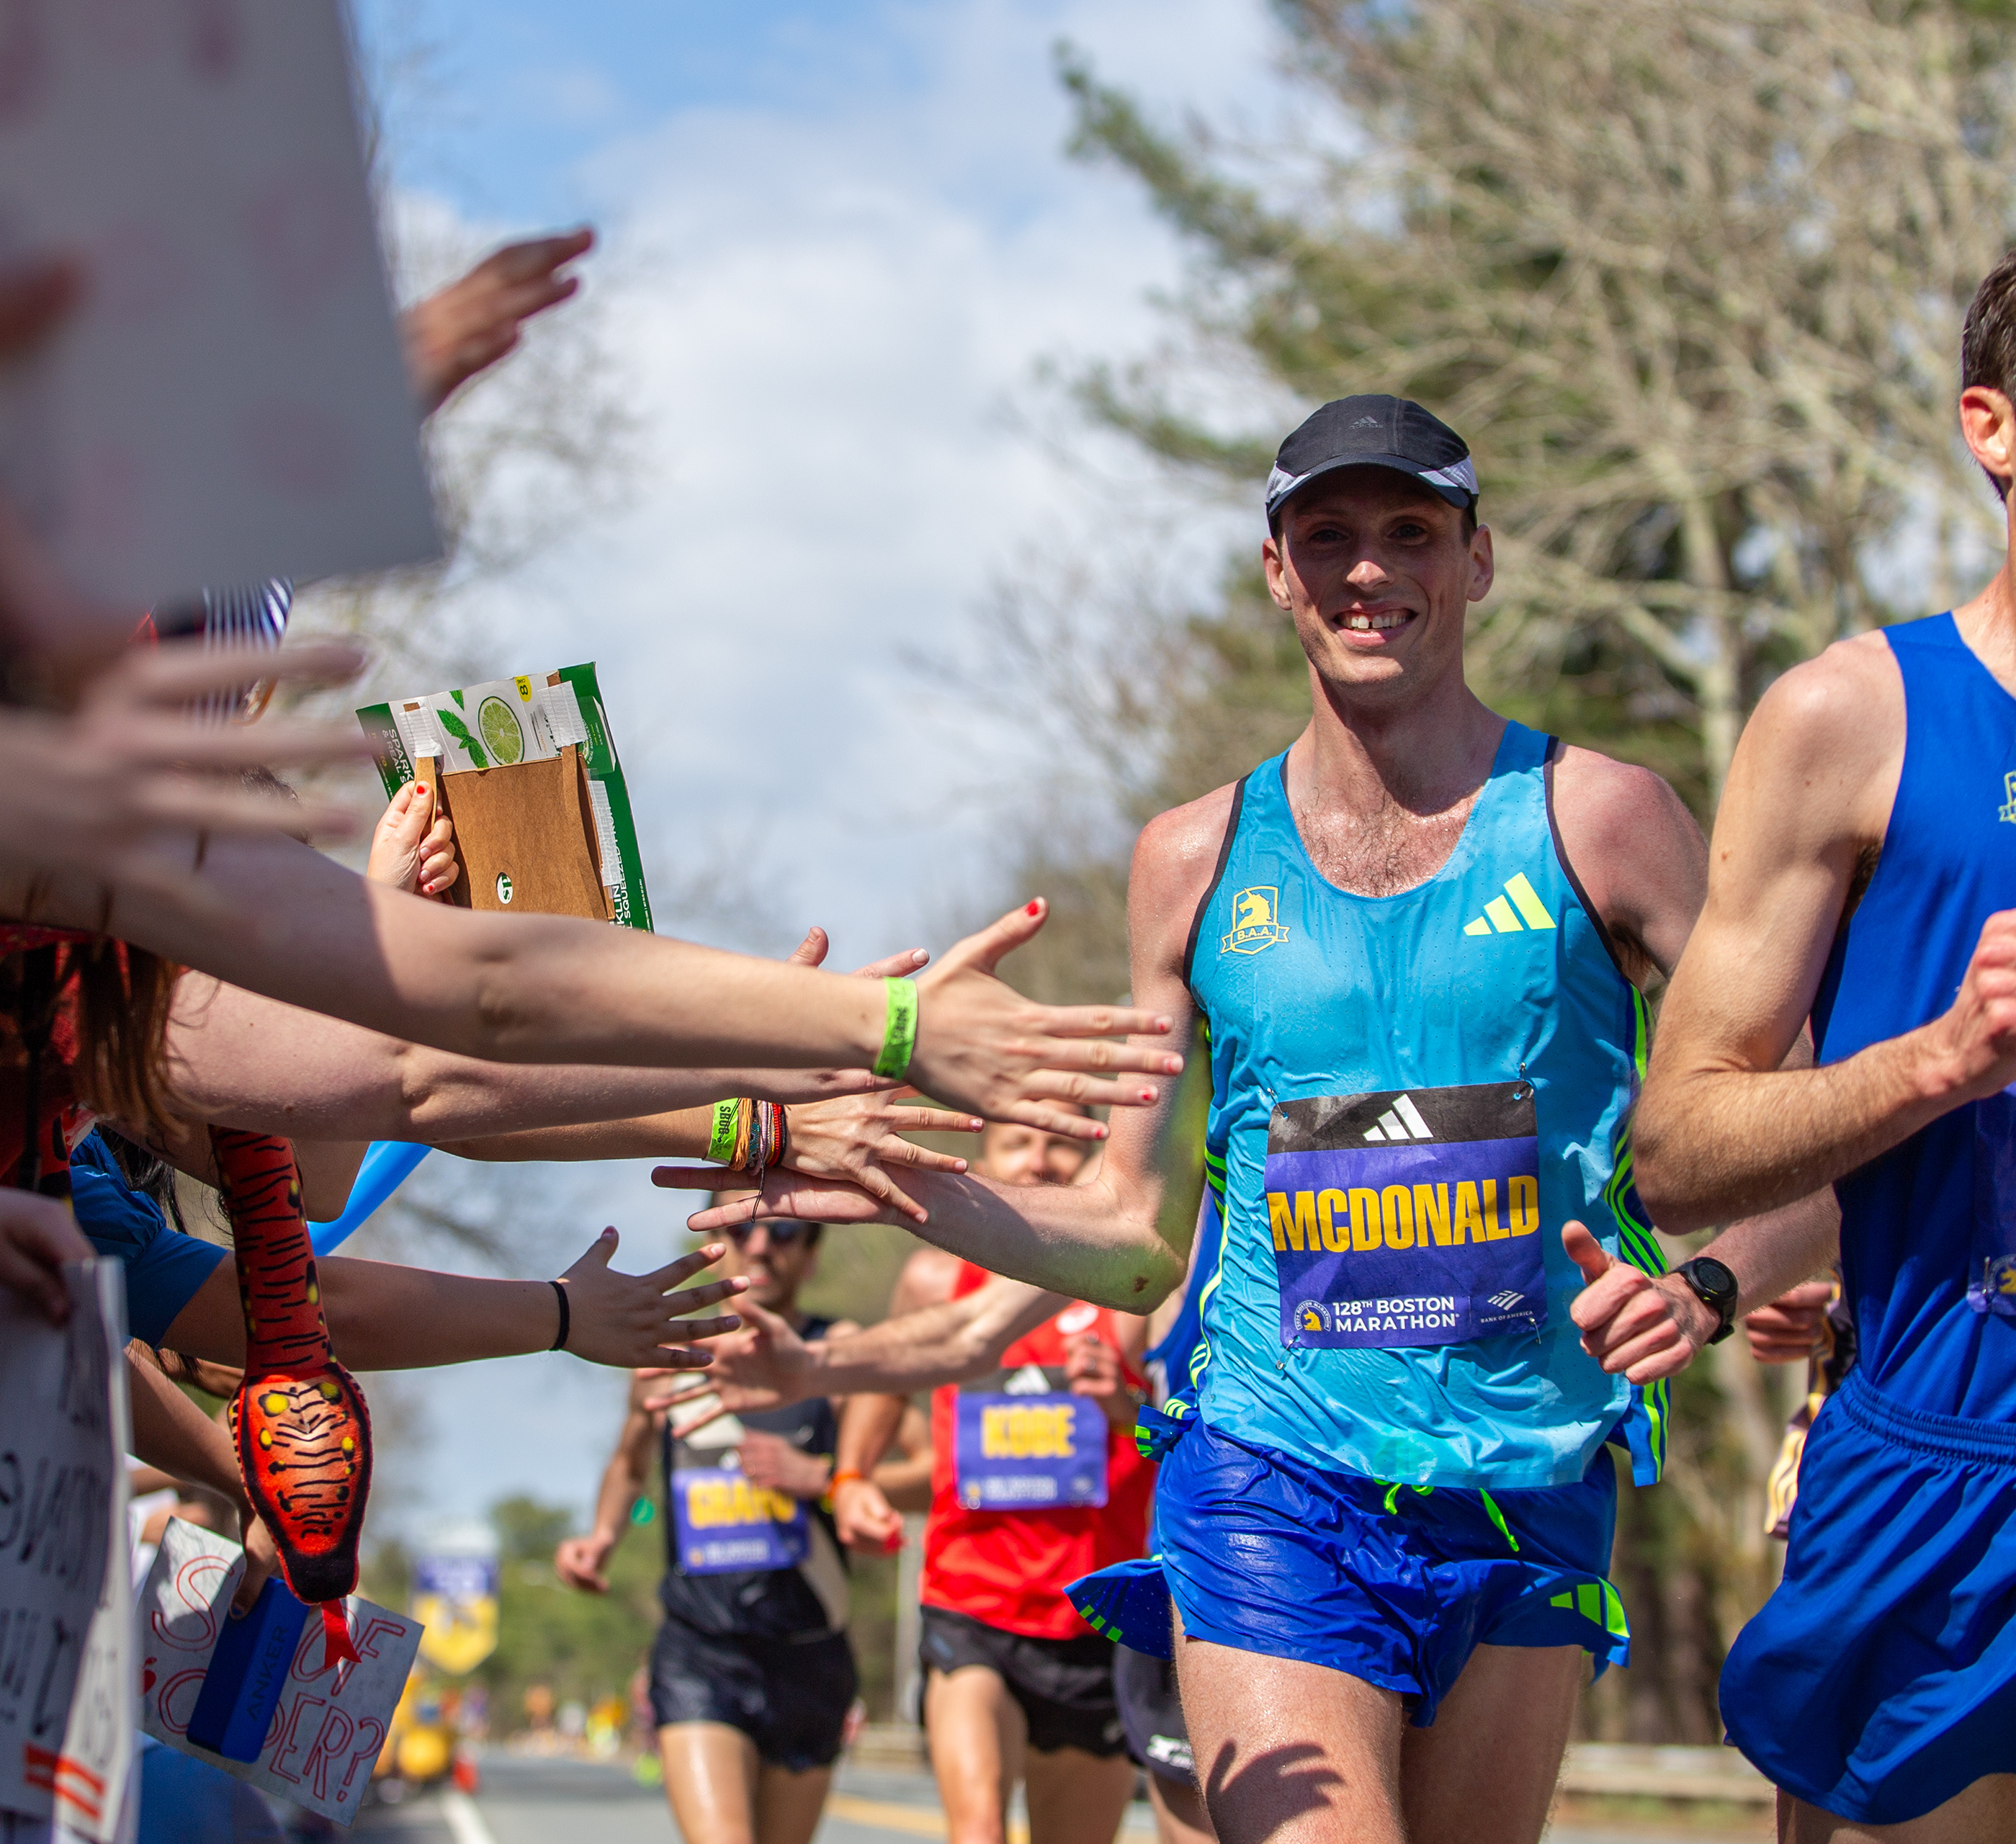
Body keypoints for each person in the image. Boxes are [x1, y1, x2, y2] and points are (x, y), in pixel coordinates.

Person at [663, 395, 1837, 1844]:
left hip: (1533, 1468)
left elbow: (1822, 1123)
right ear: (1276, 570)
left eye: (1409, 532)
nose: (1366, 569)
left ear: (1478, 560)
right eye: (1324, 536)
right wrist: (898, 1181)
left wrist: (1712, 1285)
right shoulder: (1192, 857)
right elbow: (1117, 1224)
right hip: (1271, 1462)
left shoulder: (1603, 817)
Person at [1624, 254, 2016, 1840]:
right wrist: (1944, 1057)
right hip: (1947, 1456)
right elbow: (1678, 1147)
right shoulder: (1853, 717)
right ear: (1994, 428)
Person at [828, 1124, 1157, 1844]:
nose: (1039, 1159)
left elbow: (1182, 1435)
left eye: (1064, 1144)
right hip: (970, 1601)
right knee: (976, 1830)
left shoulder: (1135, 1274)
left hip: (1096, 1611)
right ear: (983, 1165)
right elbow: (884, 1382)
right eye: (1018, 1142)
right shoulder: (937, 1280)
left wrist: (1127, 1405)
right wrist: (851, 1476)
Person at [554, 1206, 859, 1844]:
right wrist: (603, 1536)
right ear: (716, 1242)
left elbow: (929, 1469)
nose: (760, 1246)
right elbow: (629, 1463)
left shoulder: (844, 1355)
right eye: (740, 1230)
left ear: (811, 1253)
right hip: (702, 1649)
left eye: (783, 1232)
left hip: (809, 1653)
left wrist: (823, 1477)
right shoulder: (667, 1353)